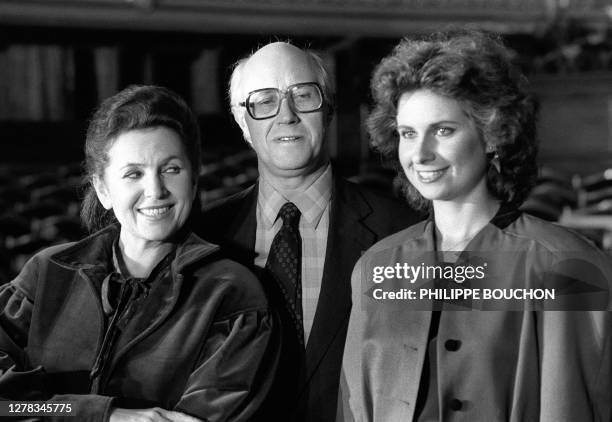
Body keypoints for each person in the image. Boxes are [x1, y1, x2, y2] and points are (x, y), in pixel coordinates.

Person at [339, 31, 612, 421]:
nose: (420, 153)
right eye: (407, 133)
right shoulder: (375, 267)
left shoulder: (566, 265)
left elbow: (574, 408)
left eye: (443, 130)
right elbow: (353, 407)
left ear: (491, 134)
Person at [0, 85, 277, 421]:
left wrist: (44, 408)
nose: (155, 190)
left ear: (193, 180)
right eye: (133, 174)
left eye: (171, 169)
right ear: (103, 189)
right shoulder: (46, 273)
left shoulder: (232, 293)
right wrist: (106, 414)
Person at [198, 42, 421, 421]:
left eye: (303, 95)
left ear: (328, 108)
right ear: (242, 122)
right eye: (264, 101)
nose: (286, 115)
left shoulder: (404, 231)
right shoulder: (203, 238)